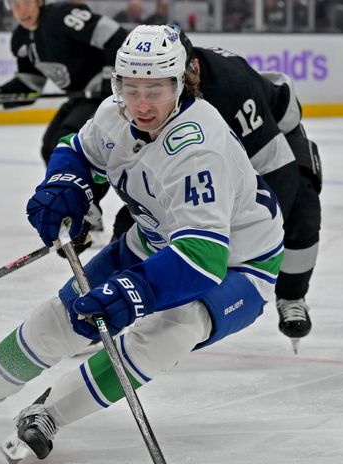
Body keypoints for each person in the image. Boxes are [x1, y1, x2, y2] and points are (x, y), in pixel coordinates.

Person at [0, 24, 285, 464]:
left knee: (173, 330)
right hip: (154, 237)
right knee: (65, 316)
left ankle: (49, 414)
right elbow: (76, 150)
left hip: (240, 263)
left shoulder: (199, 147)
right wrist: (66, 183)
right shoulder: (114, 115)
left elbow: (204, 257)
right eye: (130, 88)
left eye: (155, 90)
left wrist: (136, 292)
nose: (141, 103)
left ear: (180, 84)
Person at [111, 28, 322, 352]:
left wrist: (252, 237)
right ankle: (114, 301)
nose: (146, 97)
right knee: (150, 215)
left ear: (190, 69)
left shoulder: (232, 87)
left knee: (303, 208)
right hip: (211, 149)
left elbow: (275, 167)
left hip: (271, 140)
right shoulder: (151, 92)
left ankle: (293, 295)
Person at [0, 0, 128, 253]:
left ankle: (85, 210)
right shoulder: (21, 39)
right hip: (80, 97)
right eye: (14, 5)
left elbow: (116, 37)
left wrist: (110, 79)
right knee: (49, 147)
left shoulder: (63, 16)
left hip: (106, 98)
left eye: (25, 3)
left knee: (68, 140)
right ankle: (84, 207)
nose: (21, 11)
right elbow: (30, 86)